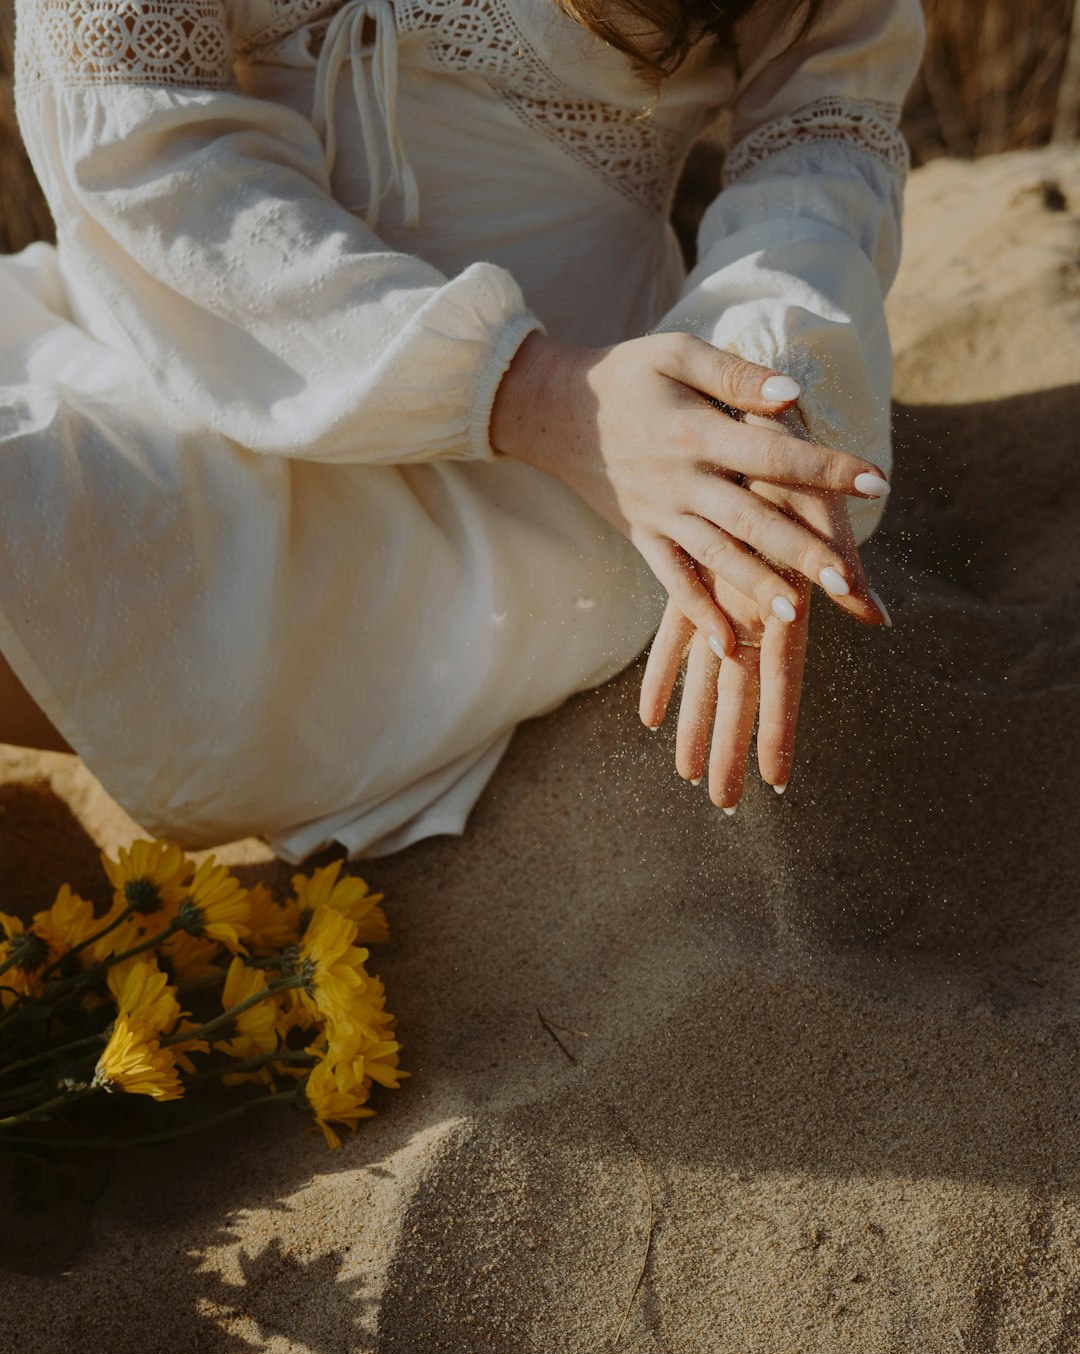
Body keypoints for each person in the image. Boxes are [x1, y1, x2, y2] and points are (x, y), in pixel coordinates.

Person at [0, 0, 923, 857]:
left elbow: (823, 142)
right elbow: (133, 130)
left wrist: (751, 396)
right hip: (170, 345)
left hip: (554, 482)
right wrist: (527, 390)